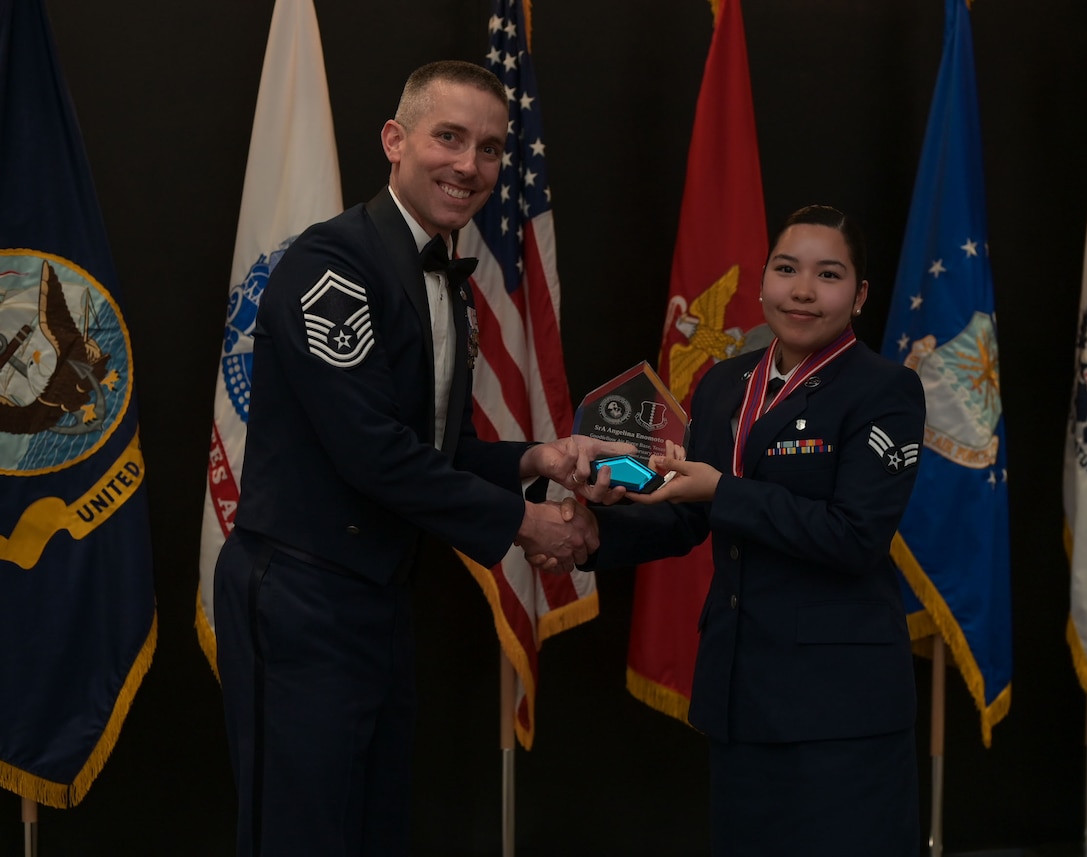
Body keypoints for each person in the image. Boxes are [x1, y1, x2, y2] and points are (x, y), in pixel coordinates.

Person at [214, 60, 628, 857]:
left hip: (375, 596)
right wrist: (525, 523)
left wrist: (539, 456)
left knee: (372, 828)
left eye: (490, 148)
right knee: (299, 835)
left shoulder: (447, 279)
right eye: (449, 138)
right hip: (301, 595)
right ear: (395, 141)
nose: (470, 166)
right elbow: (372, 452)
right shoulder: (331, 266)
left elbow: (440, 445)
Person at [582, 205, 926, 855]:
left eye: (828, 275)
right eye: (786, 268)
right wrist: (596, 519)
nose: (801, 290)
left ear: (859, 296)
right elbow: (690, 512)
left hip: (839, 712)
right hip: (742, 695)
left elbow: (854, 536)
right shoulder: (723, 383)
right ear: (763, 279)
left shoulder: (886, 390)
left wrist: (722, 489)